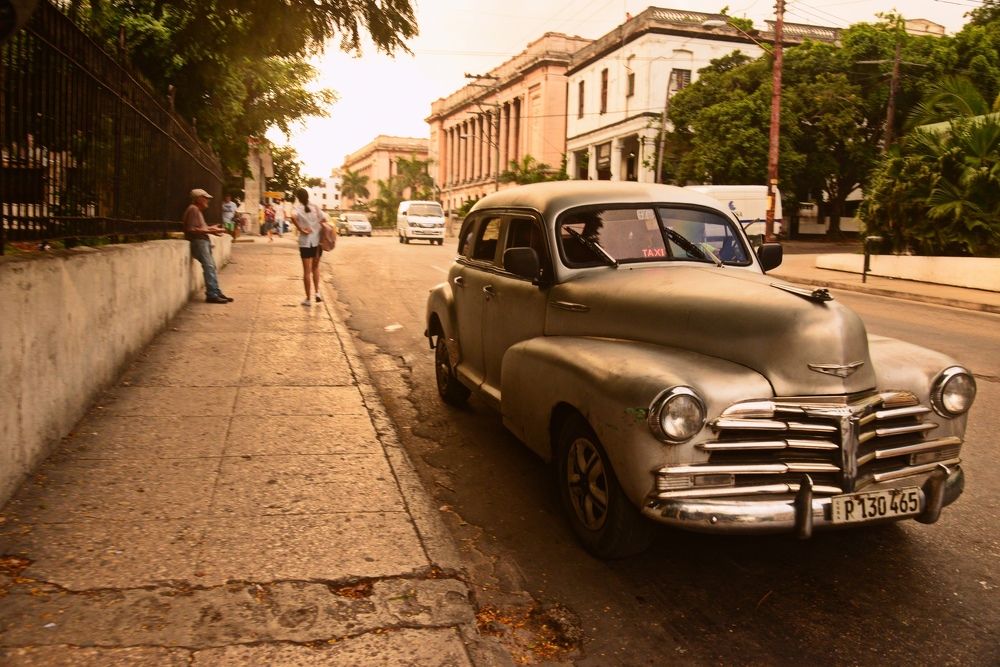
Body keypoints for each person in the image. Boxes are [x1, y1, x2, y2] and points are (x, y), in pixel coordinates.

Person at [183, 188, 233, 304]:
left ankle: (215, 291)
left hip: (202, 241)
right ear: (199, 199)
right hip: (198, 242)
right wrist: (210, 231)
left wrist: (212, 229)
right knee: (209, 266)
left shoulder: (197, 210)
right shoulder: (193, 209)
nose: (207, 200)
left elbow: (199, 227)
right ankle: (212, 294)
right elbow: (191, 229)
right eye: (205, 198)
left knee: (211, 266)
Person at [291, 187, 328, 306]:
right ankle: (317, 293)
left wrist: (301, 229)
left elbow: (292, 217)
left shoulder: (297, 208)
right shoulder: (316, 207)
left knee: (306, 272)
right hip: (317, 242)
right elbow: (324, 219)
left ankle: (308, 299)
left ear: (298, 198)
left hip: (305, 243)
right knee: (315, 268)